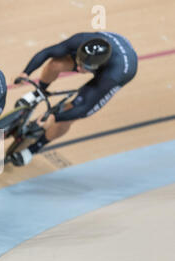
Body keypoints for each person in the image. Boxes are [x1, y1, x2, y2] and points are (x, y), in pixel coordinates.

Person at [11, 32, 138, 166]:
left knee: (70, 114)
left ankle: (33, 149)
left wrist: (54, 117)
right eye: (79, 62)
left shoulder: (113, 76)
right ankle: (39, 93)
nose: (78, 68)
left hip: (118, 70)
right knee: (55, 64)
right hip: (107, 50)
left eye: (84, 67)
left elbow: (85, 109)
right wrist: (25, 73)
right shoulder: (81, 40)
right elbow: (48, 52)